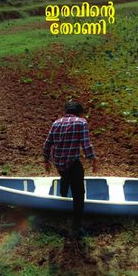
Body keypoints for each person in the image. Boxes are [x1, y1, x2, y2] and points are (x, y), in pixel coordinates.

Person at [43, 100, 97, 238]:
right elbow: (86, 144)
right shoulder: (81, 122)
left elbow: (47, 144)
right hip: (72, 163)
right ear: (79, 112)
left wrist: (46, 161)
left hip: (59, 163)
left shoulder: (56, 123)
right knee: (79, 193)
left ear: (65, 111)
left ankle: (61, 203)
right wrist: (93, 159)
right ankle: (77, 227)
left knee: (65, 177)